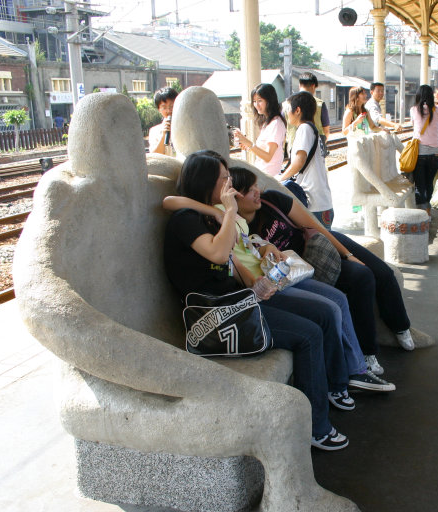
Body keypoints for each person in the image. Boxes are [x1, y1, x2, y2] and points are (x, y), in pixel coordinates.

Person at [163, 150, 350, 450]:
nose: (230, 186)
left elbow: (232, 262)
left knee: (324, 314)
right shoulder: (185, 220)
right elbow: (218, 253)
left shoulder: (206, 214)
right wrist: (224, 212)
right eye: (224, 178)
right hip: (216, 316)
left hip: (240, 299)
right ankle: (317, 428)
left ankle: (333, 388)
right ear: (206, 182)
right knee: (308, 335)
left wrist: (256, 284)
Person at [242, 180, 417, 376]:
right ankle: (368, 353)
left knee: (382, 272)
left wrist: (348, 255)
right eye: (248, 190)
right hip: (305, 266)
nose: (257, 192)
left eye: (255, 186)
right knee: (362, 277)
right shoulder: (239, 229)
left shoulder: (271, 200)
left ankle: (401, 326)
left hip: (320, 242)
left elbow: (315, 225)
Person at [278, 91, 335, 230]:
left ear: (297, 110)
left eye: (288, 110)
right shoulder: (313, 129)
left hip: (314, 203)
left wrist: (279, 179)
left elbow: (299, 161)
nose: (287, 114)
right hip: (322, 201)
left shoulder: (304, 129)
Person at [234, 83, 286, 177]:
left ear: (269, 101)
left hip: (269, 178)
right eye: (254, 101)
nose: (256, 105)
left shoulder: (276, 124)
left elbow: (268, 157)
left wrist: (249, 143)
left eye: (260, 100)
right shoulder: (268, 123)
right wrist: (248, 146)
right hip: (262, 174)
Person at [410, 85, 438, 215]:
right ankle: (428, 213)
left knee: (420, 185)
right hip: (435, 153)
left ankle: (421, 214)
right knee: (429, 184)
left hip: (420, 153)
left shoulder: (414, 110)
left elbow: (415, 129)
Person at [285, 72, 330, 158]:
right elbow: (326, 131)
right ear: (313, 86)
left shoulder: (286, 104)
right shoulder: (320, 104)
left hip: (293, 147)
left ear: (299, 85)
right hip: (314, 149)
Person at [148, 86, 178, 155]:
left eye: (171, 106)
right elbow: (155, 156)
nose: (169, 110)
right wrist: (164, 135)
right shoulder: (154, 131)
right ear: (159, 109)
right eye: (164, 107)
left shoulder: (185, 126)